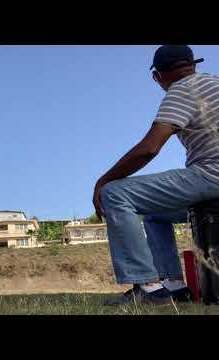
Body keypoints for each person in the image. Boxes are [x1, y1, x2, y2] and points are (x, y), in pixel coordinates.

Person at [93, 45, 219, 305]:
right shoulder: (214, 84)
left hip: (211, 176)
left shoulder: (182, 90)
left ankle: (148, 288)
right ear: (192, 64)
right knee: (154, 216)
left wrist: (103, 181)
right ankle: (173, 284)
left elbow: (149, 148)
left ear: (158, 76)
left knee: (115, 193)